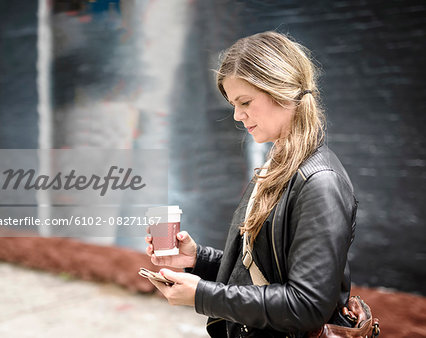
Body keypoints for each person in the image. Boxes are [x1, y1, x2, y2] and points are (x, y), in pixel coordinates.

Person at [145, 31, 357, 337]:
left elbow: (308, 306)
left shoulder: (320, 183)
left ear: (281, 89)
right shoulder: (280, 164)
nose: (237, 114)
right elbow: (261, 270)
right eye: (233, 103)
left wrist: (203, 295)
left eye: (245, 101)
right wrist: (197, 258)